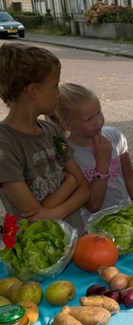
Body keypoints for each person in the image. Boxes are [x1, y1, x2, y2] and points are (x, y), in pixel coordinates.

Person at [0, 43, 88, 231]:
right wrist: (70, 182)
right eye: (55, 86)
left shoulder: (52, 131)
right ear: (33, 91)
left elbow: (84, 189)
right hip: (41, 251)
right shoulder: (4, 145)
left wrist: (58, 211)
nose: (58, 95)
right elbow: (34, 216)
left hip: (76, 239)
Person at [52, 83, 133, 224]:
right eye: (89, 119)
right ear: (67, 125)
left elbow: (130, 176)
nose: (98, 121)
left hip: (125, 220)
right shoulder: (68, 155)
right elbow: (93, 205)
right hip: (93, 228)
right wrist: (102, 163)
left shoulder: (114, 135)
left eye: (99, 112)